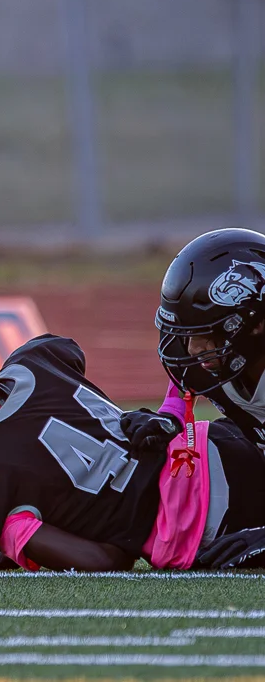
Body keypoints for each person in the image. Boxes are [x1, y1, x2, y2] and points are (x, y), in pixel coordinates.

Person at [0, 316, 265, 572]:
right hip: (220, 444)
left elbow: (106, 559)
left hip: (210, 524)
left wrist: (16, 545)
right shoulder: (37, 360)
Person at [118, 227, 265, 569]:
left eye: (203, 335)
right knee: (211, 445)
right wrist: (170, 416)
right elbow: (184, 380)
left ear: (255, 324)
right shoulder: (213, 359)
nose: (192, 350)